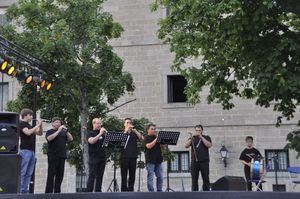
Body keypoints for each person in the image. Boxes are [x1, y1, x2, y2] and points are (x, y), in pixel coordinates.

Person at [45, 117, 73, 193]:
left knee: (60, 174)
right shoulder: (49, 131)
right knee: (51, 174)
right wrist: (58, 131)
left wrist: (66, 131)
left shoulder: (63, 132)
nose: (58, 123)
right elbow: (49, 138)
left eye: (59, 122)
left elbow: (71, 139)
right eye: (56, 122)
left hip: (62, 155)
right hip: (53, 155)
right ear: (52, 123)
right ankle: (48, 192)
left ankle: (57, 192)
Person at [19, 108, 43, 193]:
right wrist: (36, 125)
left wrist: (40, 125)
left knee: (29, 173)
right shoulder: (21, 124)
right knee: (23, 171)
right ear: (26, 115)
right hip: (25, 151)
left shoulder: (29, 125)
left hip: (31, 151)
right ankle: (20, 189)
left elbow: (40, 133)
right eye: (31, 115)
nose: (32, 117)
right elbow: (28, 133)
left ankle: (24, 190)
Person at [185, 124, 212, 191]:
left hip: (204, 161)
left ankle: (206, 193)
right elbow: (186, 145)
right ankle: (194, 194)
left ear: (202, 131)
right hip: (194, 162)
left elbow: (209, 145)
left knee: (206, 179)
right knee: (194, 180)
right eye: (196, 130)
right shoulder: (192, 138)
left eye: (199, 130)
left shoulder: (206, 137)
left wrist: (201, 137)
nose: (198, 132)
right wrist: (191, 138)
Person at [120, 118, 144, 192]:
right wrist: (126, 131)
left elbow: (142, 139)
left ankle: (131, 189)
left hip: (133, 156)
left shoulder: (134, 133)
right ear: (124, 124)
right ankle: (123, 189)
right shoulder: (122, 133)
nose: (129, 124)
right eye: (127, 123)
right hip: (124, 157)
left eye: (130, 123)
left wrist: (135, 130)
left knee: (132, 175)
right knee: (124, 175)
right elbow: (120, 141)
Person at [86, 118, 107, 192]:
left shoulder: (104, 134)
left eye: (100, 123)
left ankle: (98, 192)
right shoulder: (90, 133)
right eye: (97, 123)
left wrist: (105, 134)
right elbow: (91, 141)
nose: (99, 125)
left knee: (100, 176)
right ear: (93, 124)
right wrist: (100, 134)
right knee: (92, 176)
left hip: (102, 157)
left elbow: (107, 144)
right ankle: (89, 193)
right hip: (94, 158)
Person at [145, 123, 163, 192]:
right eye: (152, 129)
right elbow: (148, 146)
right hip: (150, 160)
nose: (154, 130)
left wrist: (160, 139)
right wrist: (156, 139)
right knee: (150, 177)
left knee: (160, 177)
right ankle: (151, 191)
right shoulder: (146, 137)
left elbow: (162, 146)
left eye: (154, 129)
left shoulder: (156, 137)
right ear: (148, 130)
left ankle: (159, 191)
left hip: (158, 160)